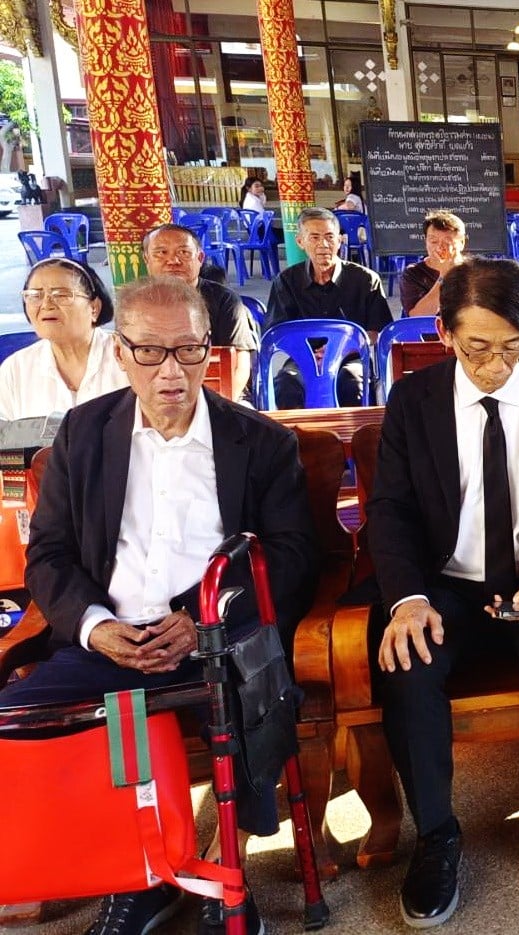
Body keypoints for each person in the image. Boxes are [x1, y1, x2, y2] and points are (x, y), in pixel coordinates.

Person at [0, 275, 317, 934]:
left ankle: (223, 869)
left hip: (215, 638)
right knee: (20, 721)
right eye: (150, 351)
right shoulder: (85, 433)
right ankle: (134, 875)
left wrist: (202, 622)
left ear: (210, 349)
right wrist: (94, 626)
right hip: (109, 638)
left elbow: (290, 559)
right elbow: (49, 554)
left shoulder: (259, 442)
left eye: (188, 349)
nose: (171, 370)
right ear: (120, 352)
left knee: (253, 713)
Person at [366, 258, 519, 926]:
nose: (495, 365)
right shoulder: (414, 401)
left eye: (512, 347)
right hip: (442, 584)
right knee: (407, 666)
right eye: (477, 347)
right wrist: (406, 599)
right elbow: (389, 511)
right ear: (444, 333)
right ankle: (436, 835)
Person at [264, 206, 392, 408]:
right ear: (300, 242)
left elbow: (378, 331)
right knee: (286, 384)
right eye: (314, 237)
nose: (323, 244)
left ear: (340, 240)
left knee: (353, 384)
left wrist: (338, 349)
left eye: (329, 237)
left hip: (350, 357)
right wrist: (309, 354)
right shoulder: (286, 281)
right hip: (303, 359)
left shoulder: (365, 280)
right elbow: (277, 333)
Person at [0, 257, 127, 420]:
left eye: (61, 295)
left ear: (94, 308)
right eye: (35, 296)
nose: (46, 304)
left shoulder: (128, 357)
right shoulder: (16, 368)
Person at [142, 223, 260, 396]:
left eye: (183, 252)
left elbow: (240, 365)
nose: (173, 261)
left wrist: (219, 406)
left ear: (200, 258)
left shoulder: (225, 300)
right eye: (161, 253)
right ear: (147, 259)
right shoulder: (137, 304)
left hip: (220, 394)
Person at [399, 210, 469, 317]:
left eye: (447, 241)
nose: (440, 247)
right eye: (434, 241)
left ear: (462, 243)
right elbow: (417, 316)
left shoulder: (475, 271)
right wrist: (444, 275)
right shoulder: (413, 274)